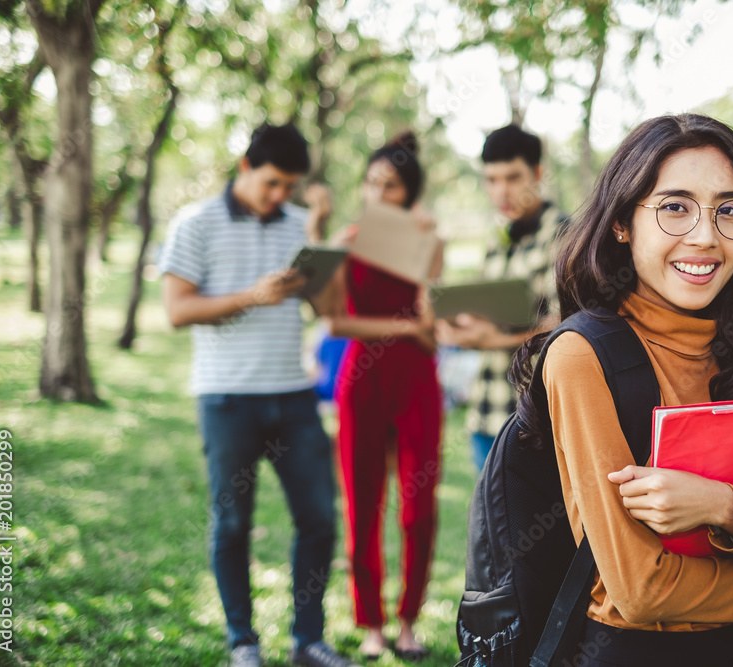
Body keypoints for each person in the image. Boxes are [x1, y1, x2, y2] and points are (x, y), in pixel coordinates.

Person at [509, 114, 733, 665]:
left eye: (729, 210)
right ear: (622, 222)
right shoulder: (584, 356)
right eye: (674, 207)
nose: (705, 236)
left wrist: (722, 506)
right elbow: (640, 589)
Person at [159, 123, 355, 667]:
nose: (279, 197)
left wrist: (321, 238)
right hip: (227, 400)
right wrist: (251, 296)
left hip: (293, 399)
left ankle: (308, 640)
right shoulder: (195, 223)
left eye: (289, 187)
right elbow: (177, 311)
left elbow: (331, 314)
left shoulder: (298, 223)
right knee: (232, 523)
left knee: (318, 518)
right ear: (245, 167)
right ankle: (242, 641)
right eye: (271, 183)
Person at [320, 132, 443, 661]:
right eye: (370, 183)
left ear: (408, 194)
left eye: (388, 186)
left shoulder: (428, 242)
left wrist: (422, 254)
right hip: (361, 379)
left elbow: (431, 328)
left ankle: (409, 620)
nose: (375, 194)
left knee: (417, 508)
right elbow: (338, 321)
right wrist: (402, 327)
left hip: (416, 378)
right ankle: (369, 622)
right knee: (362, 500)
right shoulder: (348, 241)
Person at [435, 124, 568, 470]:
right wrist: (459, 324)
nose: (501, 191)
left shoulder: (566, 235)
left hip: (535, 420)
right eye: (491, 180)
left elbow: (570, 325)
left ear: (538, 173)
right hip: (485, 412)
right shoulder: (499, 238)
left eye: (512, 177)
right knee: (487, 525)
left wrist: (494, 339)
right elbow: (492, 310)